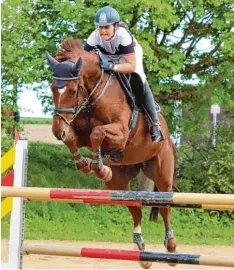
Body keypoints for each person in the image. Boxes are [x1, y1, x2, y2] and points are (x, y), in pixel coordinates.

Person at [84, 6, 164, 142]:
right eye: (100, 27)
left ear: (115, 26)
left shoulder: (123, 35)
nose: (103, 31)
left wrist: (113, 67)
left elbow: (131, 66)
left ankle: (155, 124)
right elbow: (84, 58)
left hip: (128, 58)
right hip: (107, 56)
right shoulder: (94, 36)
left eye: (106, 27)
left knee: (139, 79)